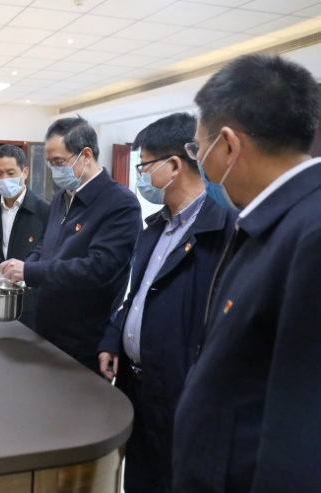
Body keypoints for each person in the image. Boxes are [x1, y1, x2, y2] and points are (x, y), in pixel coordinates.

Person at [172, 54, 321, 493]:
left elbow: (301, 430)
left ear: (228, 145)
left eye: (197, 150)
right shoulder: (267, 220)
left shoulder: (310, 235)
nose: (201, 164)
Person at [97, 113, 236, 493]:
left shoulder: (224, 231)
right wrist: (114, 338)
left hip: (182, 395)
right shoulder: (156, 226)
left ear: (173, 166)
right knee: (140, 480)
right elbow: (138, 295)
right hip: (137, 387)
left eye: (143, 166)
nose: (140, 177)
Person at [0, 117, 141, 373]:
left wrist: (31, 272)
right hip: (46, 328)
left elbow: (98, 268)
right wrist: (23, 268)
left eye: (59, 162)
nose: (54, 170)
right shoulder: (61, 197)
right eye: (50, 163)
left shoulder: (120, 203)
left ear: (85, 155)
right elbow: (47, 245)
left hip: (83, 338)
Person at [0, 144, 48, 329]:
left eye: (11, 173)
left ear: (25, 172)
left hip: (30, 304)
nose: (4, 179)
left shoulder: (44, 211)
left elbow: (47, 256)